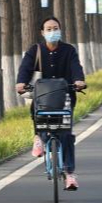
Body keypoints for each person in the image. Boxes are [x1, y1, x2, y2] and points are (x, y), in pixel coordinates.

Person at [16, 16, 86, 191]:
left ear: (60, 30)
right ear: (42, 32)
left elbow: (76, 67)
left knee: (65, 135)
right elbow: (25, 68)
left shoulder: (69, 50)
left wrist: (79, 80)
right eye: (48, 29)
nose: (52, 32)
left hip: (65, 97)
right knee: (40, 119)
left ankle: (69, 173)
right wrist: (21, 82)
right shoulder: (36, 50)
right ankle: (38, 137)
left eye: (55, 28)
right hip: (43, 96)